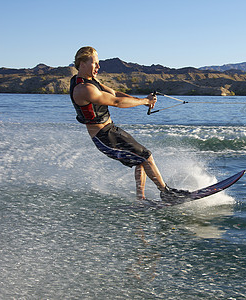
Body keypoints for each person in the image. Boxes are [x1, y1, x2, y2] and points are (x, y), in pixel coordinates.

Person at [69, 46, 189, 201]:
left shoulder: (91, 81)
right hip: (104, 137)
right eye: (95, 63)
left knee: (140, 159)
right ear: (82, 63)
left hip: (111, 130)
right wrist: (145, 101)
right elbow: (116, 102)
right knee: (146, 156)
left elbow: (115, 93)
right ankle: (166, 193)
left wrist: (142, 101)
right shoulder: (84, 89)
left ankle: (141, 200)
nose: (98, 67)